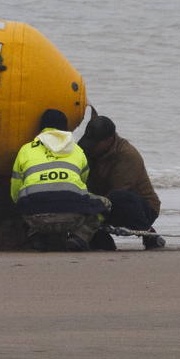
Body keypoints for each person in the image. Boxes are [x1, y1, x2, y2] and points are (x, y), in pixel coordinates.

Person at [10, 108, 108, 252]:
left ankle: (36, 235)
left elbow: (15, 193)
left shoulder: (26, 149)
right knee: (105, 204)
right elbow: (83, 185)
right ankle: (79, 238)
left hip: (35, 217)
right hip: (73, 217)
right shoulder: (76, 150)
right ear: (66, 128)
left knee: (25, 198)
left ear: (41, 128)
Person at [81, 114, 165, 249]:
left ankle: (148, 233)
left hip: (141, 209)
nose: (91, 146)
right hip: (103, 201)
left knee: (118, 197)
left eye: (95, 143)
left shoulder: (126, 154)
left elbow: (118, 191)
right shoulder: (88, 149)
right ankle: (101, 238)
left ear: (109, 140)